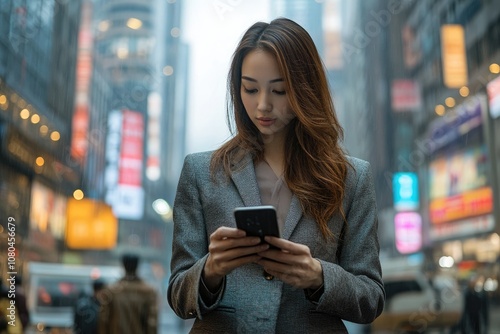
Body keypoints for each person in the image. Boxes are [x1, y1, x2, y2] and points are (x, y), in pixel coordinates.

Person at [167, 17, 385, 333]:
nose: (263, 105)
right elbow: (177, 293)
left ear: (304, 87)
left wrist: (318, 276)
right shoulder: (201, 173)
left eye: (279, 90)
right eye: (250, 88)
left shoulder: (352, 177)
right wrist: (210, 270)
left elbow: (372, 298)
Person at [98, 254, 158, 334]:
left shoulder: (111, 291)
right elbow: (151, 323)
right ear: (137, 266)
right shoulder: (148, 291)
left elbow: (104, 320)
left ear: (123, 266)